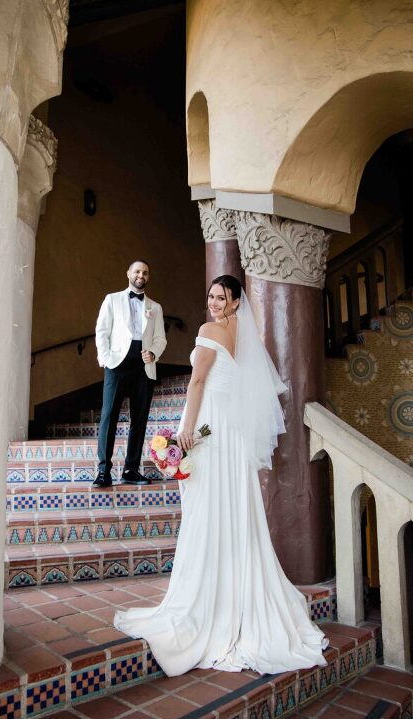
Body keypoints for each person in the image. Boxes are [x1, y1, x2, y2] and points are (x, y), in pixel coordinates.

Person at [114, 274, 328, 675]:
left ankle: (208, 601)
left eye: (221, 297)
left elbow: (197, 382)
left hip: (208, 429)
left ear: (234, 303)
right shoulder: (239, 335)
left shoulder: (210, 329)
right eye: (211, 295)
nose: (213, 302)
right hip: (227, 433)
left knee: (206, 510)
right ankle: (232, 588)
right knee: (227, 509)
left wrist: (185, 430)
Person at [94, 260, 167, 487]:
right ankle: (104, 471)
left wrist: (153, 353)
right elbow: (102, 331)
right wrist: (106, 359)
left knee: (139, 419)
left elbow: (160, 338)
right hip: (117, 363)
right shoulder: (112, 299)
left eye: (145, 272)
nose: (140, 275)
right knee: (109, 416)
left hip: (144, 364)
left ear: (148, 276)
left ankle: (131, 469)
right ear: (128, 273)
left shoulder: (155, 307)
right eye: (137, 271)